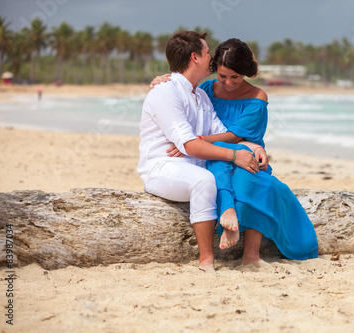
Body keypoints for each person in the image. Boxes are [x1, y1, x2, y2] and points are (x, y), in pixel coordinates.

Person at [151, 38, 319, 264]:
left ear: (245, 73)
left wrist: (193, 142)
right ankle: (229, 214)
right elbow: (184, 93)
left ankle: (251, 255)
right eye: (222, 76)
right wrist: (165, 78)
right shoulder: (206, 90)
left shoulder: (257, 97)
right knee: (222, 161)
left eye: (235, 77)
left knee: (258, 180)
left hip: (245, 151)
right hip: (215, 155)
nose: (228, 83)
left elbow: (233, 136)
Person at [137, 31, 261, 272]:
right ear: (195, 57)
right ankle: (206, 261)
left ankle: (249, 247)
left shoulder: (202, 95)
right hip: (162, 168)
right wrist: (235, 155)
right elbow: (190, 145)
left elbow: (221, 134)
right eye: (207, 53)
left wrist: (252, 147)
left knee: (244, 174)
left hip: (193, 165)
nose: (211, 58)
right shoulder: (165, 92)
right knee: (204, 180)